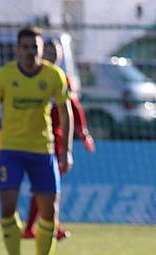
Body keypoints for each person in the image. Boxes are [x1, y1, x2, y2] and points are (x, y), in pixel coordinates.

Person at [0, 26, 73, 255]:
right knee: (8, 207)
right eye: (26, 47)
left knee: (49, 211)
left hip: (43, 150)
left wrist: (66, 150)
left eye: (35, 47)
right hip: (10, 150)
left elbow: (66, 114)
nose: (31, 52)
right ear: (18, 49)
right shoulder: (5, 76)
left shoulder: (54, 76)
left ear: (42, 50)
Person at [22, 38, 96, 241]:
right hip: (35, 138)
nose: (52, 55)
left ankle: (41, 226)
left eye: (56, 52)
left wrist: (83, 131)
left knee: (48, 186)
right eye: (48, 51)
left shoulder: (61, 77)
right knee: (45, 186)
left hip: (56, 139)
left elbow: (74, 107)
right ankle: (37, 226)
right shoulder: (32, 76)